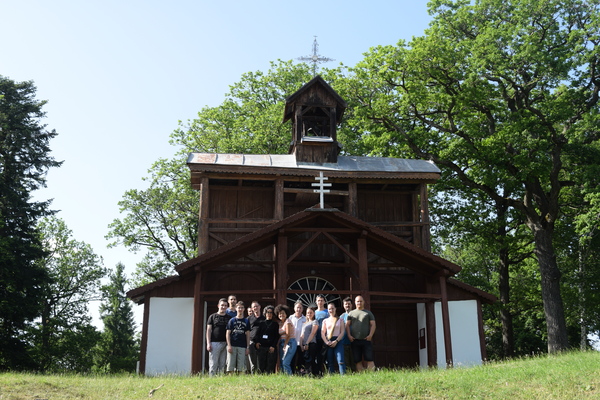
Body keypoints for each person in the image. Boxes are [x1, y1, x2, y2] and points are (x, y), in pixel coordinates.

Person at [346, 295, 376, 372]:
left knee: (369, 359)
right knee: (357, 360)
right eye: (357, 301)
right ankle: (362, 376)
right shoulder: (351, 313)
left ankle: (372, 376)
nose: (359, 302)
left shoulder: (368, 313)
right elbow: (347, 325)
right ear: (355, 303)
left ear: (363, 302)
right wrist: (349, 335)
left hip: (366, 340)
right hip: (355, 340)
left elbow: (373, 324)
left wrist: (370, 335)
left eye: (361, 301)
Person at [206, 298, 232, 376]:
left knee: (223, 363)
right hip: (214, 343)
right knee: (213, 363)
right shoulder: (212, 316)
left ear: (227, 307)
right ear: (218, 306)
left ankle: (221, 380)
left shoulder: (229, 318)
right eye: (222, 305)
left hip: (225, 344)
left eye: (225, 305)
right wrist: (208, 343)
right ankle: (212, 379)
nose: (223, 307)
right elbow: (208, 330)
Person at [321, 302, 346, 375]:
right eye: (329, 309)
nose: (331, 310)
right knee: (330, 361)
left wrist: (337, 341)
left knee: (340, 360)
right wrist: (326, 342)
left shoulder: (340, 320)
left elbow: (342, 332)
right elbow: (323, 333)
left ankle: (343, 376)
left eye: (332, 308)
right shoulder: (325, 321)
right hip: (329, 341)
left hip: (338, 341)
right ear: (327, 310)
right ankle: (331, 376)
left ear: (335, 309)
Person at [225, 301, 250, 374]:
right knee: (230, 366)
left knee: (241, 367)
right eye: (239, 308)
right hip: (232, 345)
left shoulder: (246, 321)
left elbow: (248, 335)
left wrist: (247, 347)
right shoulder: (232, 320)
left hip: (242, 346)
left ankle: (240, 382)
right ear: (236, 308)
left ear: (244, 309)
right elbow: (227, 333)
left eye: (242, 308)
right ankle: (231, 381)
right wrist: (229, 345)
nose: (240, 309)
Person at [254, 305, 279, 373]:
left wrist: (273, 346)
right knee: (261, 365)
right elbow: (257, 334)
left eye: (271, 312)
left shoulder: (275, 324)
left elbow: (276, 336)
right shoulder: (261, 323)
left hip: (271, 347)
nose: (269, 314)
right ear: (265, 313)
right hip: (262, 346)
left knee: (270, 365)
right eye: (268, 312)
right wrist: (257, 342)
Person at [275, 304, 297, 375]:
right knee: (281, 362)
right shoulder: (280, 323)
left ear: (286, 314)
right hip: (282, 342)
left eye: (283, 313)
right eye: (280, 314)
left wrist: (285, 345)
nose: (281, 315)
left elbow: (288, 334)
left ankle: (290, 378)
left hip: (289, 342)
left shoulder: (288, 321)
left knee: (285, 362)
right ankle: (283, 378)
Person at [300, 306, 319, 376]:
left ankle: (313, 375)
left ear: (314, 313)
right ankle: (307, 374)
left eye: (311, 313)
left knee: (311, 360)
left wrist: (307, 343)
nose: (309, 314)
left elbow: (313, 333)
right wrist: (301, 345)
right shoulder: (304, 323)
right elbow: (302, 335)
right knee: (305, 360)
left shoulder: (315, 322)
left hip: (311, 343)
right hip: (304, 345)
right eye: (308, 313)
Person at [289, 301, 306, 374]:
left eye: (300, 308)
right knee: (292, 358)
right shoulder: (290, 318)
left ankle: (301, 373)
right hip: (292, 342)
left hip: (301, 342)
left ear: (302, 309)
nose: (298, 309)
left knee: (301, 359)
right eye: (297, 308)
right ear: (294, 308)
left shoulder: (305, 319)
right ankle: (292, 373)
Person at [339, 296, 356, 372]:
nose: (347, 305)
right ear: (343, 305)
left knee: (355, 360)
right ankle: (348, 375)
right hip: (344, 342)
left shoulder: (355, 315)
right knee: (346, 361)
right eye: (346, 304)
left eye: (349, 304)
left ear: (352, 305)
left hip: (354, 341)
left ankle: (356, 375)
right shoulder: (341, 317)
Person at [247, 301, 264, 373]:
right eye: (254, 307)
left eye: (256, 306)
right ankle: (253, 373)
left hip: (262, 342)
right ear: (252, 308)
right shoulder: (249, 318)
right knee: (252, 359)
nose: (255, 308)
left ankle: (261, 373)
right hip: (251, 341)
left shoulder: (264, 318)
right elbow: (247, 330)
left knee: (261, 359)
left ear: (260, 307)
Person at [314, 294, 329, 375]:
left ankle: (326, 372)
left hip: (325, 338)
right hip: (315, 337)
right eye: (318, 300)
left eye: (321, 300)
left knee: (325, 356)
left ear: (324, 301)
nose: (320, 302)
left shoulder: (327, 312)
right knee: (317, 356)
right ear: (316, 302)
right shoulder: (314, 312)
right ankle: (317, 373)